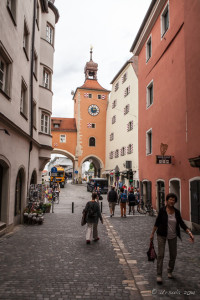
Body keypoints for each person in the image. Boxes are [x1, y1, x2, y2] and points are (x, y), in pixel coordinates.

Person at [150, 193, 194, 284]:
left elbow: (182, 223)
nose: (172, 201)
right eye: (170, 199)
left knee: (173, 255)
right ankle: (159, 275)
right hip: (161, 235)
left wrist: (189, 233)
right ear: (167, 200)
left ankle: (170, 270)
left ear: (175, 201)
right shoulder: (162, 210)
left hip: (173, 236)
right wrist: (152, 234)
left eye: (173, 200)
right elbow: (157, 223)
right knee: (161, 255)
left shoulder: (177, 212)